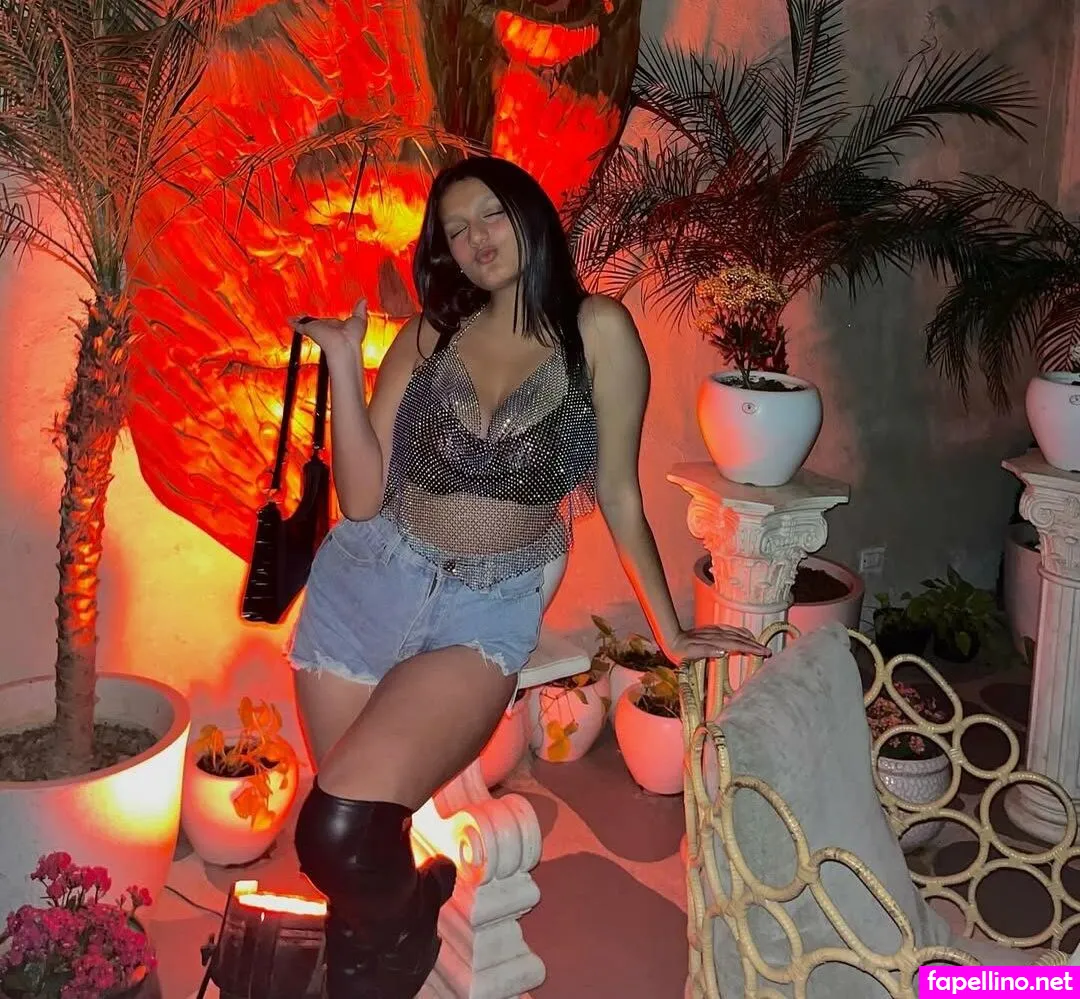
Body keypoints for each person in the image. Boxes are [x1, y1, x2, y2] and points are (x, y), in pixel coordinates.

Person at [287, 154, 771, 999]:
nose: (475, 239)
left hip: (483, 608)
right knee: (358, 859)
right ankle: (392, 945)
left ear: (530, 214)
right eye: (455, 230)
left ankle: (419, 907)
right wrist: (342, 360)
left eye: (490, 215)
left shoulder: (598, 330)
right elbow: (360, 500)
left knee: (337, 831)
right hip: (369, 584)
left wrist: (670, 633)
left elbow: (618, 494)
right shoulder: (430, 335)